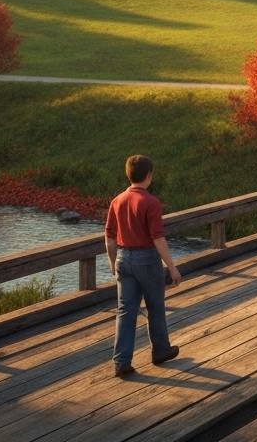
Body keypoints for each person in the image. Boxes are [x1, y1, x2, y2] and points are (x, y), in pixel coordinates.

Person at [104, 154, 181, 378]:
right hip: (146, 258)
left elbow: (109, 237)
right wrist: (172, 267)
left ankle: (121, 362)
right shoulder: (151, 202)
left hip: (123, 257)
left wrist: (112, 262)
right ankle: (160, 351)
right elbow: (158, 238)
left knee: (125, 310)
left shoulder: (117, 201)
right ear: (149, 175)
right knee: (155, 306)